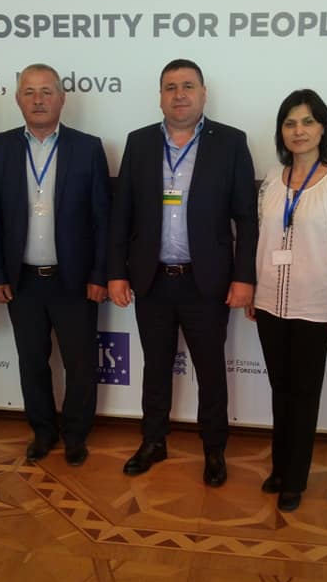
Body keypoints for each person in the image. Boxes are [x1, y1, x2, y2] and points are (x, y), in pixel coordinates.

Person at [107, 58, 258, 487]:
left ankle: (214, 449)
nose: (179, 95)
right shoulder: (139, 142)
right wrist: (116, 272)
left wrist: (244, 277)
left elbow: (246, 218)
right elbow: (122, 215)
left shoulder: (230, 142)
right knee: (155, 367)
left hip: (206, 283)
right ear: (160, 96)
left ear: (203, 94)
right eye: (170, 87)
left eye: (188, 86)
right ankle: (153, 441)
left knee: (210, 370)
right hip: (152, 279)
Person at [0, 63, 111, 466]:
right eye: (29, 92)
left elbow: (102, 220)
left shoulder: (87, 147)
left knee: (80, 364)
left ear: (62, 98)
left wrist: (99, 275)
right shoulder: (0, 147)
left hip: (74, 280)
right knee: (32, 362)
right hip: (22, 281)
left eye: (46, 91)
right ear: (17, 99)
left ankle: (75, 435)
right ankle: (42, 431)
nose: (38, 100)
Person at [247, 90, 327, 512]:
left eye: (308, 121)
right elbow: (258, 239)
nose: (299, 130)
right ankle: (279, 469)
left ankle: (295, 479)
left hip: (316, 306)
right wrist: (254, 290)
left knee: (304, 393)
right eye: (290, 123)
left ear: (322, 128)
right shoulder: (272, 180)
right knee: (280, 390)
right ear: (281, 131)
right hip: (269, 303)